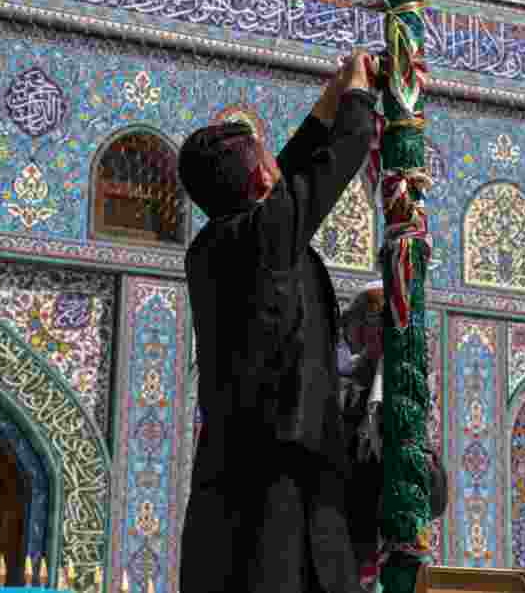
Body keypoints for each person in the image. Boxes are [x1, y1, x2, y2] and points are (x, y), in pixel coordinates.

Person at [178, 52, 379, 593]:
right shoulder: (263, 236)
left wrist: (332, 97)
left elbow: (289, 170)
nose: (275, 169)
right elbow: (340, 157)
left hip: (257, 473)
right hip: (282, 482)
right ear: (261, 180)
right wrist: (359, 95)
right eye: (268, 163)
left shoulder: (221, 243)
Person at [338, 281, 448, 592]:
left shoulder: (412, 395)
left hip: (396, 562)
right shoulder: (342, 392)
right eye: (374, 325)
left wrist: (417, 458)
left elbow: (435, 499)